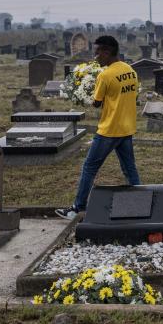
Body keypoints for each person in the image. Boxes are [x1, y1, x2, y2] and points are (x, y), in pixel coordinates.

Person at [56, 36, 140, 219]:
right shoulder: (131, 71)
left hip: (109, 130)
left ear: (107, 52)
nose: (96, 57)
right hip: (127, 128)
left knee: (89, 168)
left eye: (98, 53)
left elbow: (96, 103)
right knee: (129, 168)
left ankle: (77, 208)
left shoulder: (105, 75)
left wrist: (85, 92)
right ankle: (140, 202)